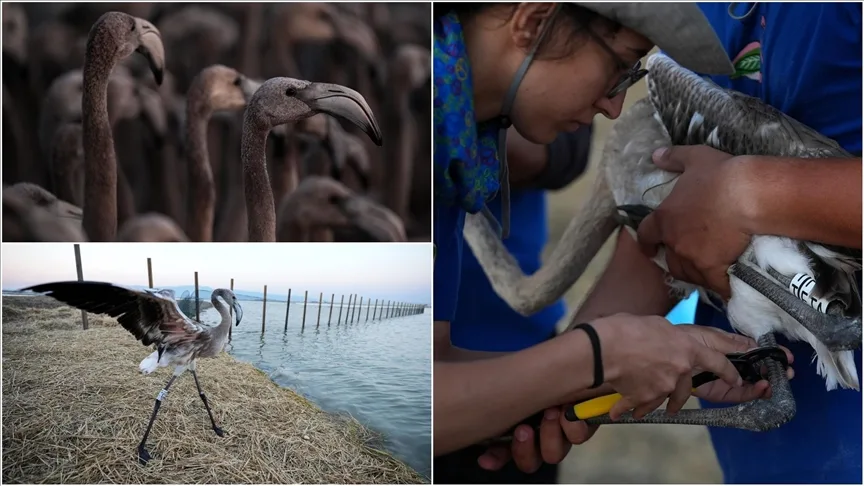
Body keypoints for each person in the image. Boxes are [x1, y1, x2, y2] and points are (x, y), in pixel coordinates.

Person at [431, 2, 790, 481]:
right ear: (533, 21)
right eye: (620, 66)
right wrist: (599, 356)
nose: (615, 106)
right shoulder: (400, 127)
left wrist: (607, 371)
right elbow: (391, 402)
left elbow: (429, 373)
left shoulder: (460, 157)